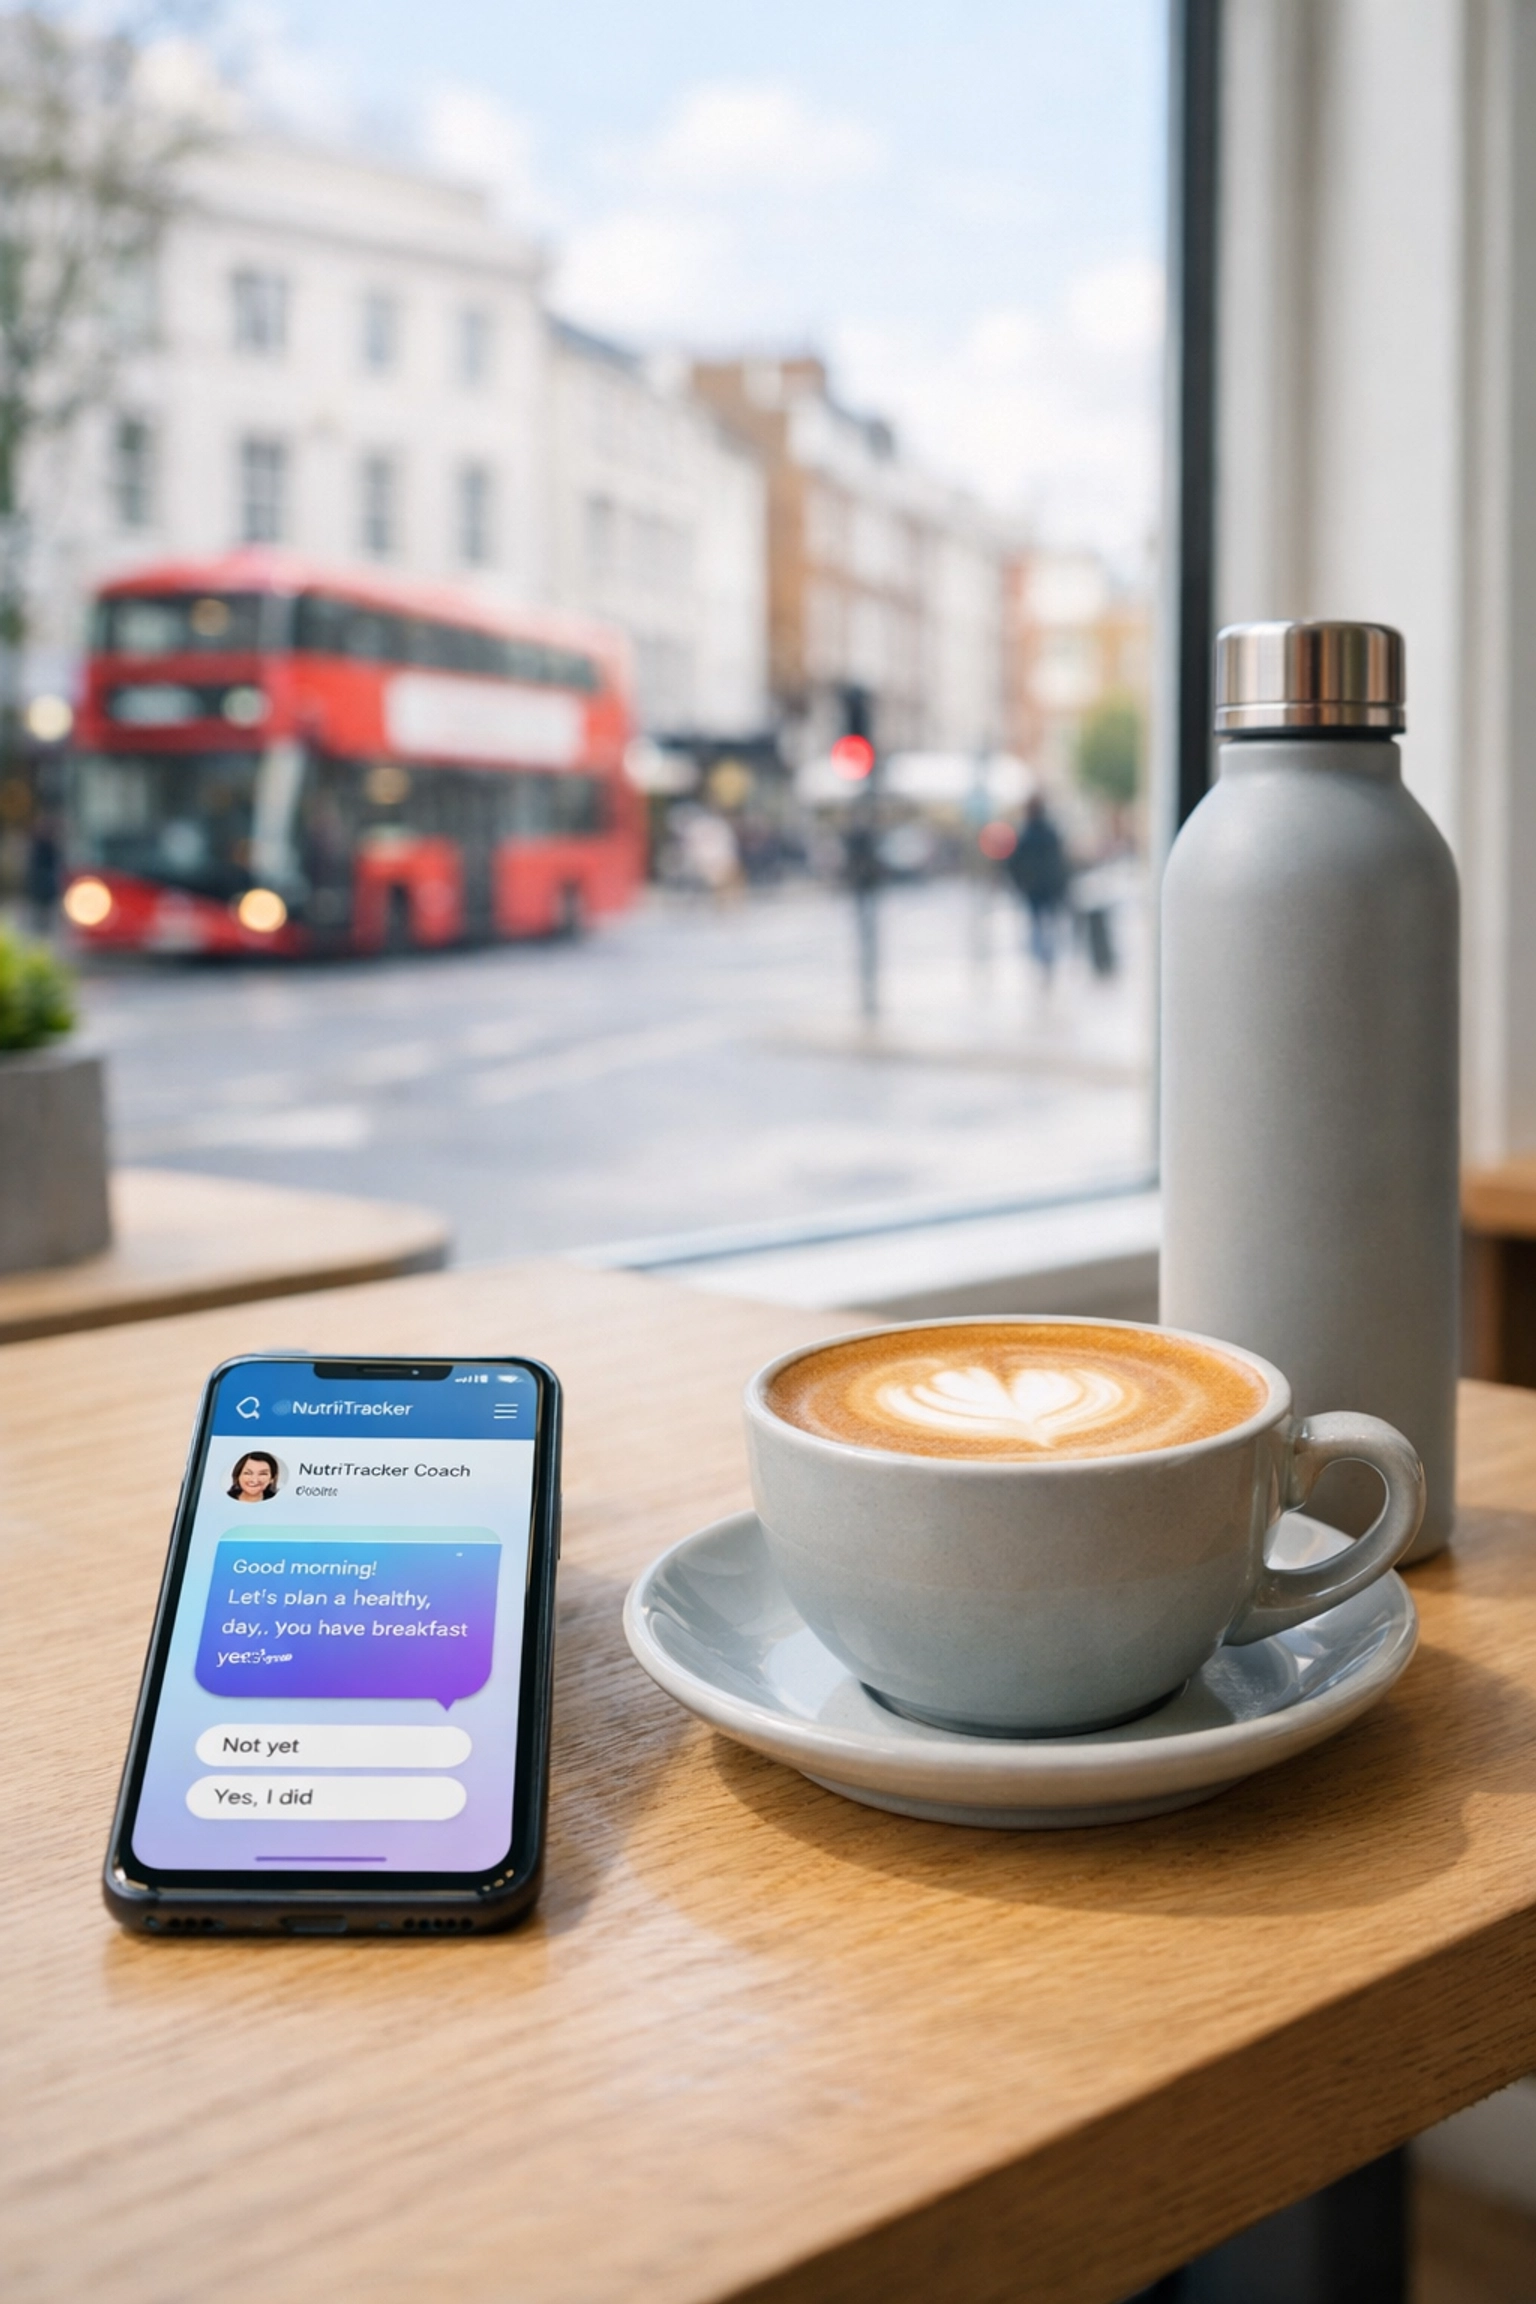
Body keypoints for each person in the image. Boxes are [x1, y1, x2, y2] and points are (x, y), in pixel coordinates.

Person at [1005, 795, 1072, 983]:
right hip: (1048, 888)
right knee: (1049, 925)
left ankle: (1042, 960)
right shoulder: (1049, 833)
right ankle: (1047, 960)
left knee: (1037, 925)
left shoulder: (1025, 835)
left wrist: (1020, 884)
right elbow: (1060, 862)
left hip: (1034, 888)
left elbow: (1013, 864)